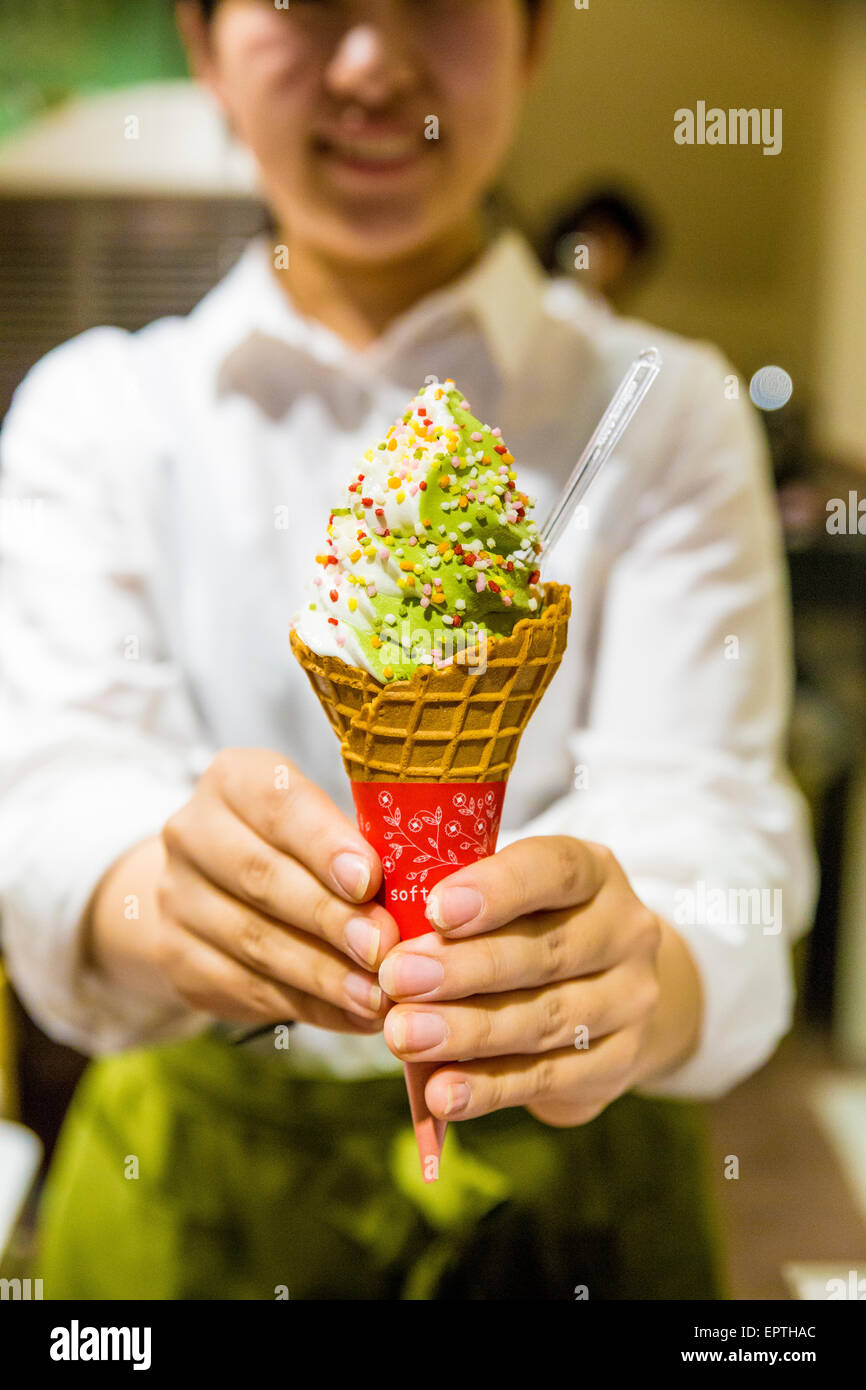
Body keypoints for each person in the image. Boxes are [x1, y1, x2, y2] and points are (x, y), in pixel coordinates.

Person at [0, 0, 815, 1300]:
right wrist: (152, 888)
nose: (372, 62)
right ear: (203, 44)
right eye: (303, 4)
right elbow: (53, 787)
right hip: (191, 1201)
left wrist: (634, 975)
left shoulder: (664, 410)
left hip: (586, 1196)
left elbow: (708, 817)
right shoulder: (96, 413)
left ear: (535, 36)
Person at [540, 187, 657, 307]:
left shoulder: (604, 319)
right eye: (591, 234)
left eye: (610, 248)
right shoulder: (534, 282)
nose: (593, 250)